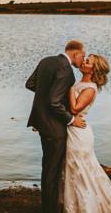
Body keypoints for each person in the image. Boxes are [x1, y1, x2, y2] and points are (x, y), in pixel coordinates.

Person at [62, 54, 111, 213]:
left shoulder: (90, 88)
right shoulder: (82, 83)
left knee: (81, 169)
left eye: (87, 62)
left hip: (79, 133)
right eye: (85, 60)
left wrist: (69, 87)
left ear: (93, 70)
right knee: (71, 167)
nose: (83, 62)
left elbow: (74, 109)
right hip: (72, 128)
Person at [26, 40, 87, 213]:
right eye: (82, 56)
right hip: (55, 129)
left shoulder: (46, 60)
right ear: (75, 53)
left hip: (42, 124)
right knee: (52, 171)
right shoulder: (67, 71)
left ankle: (47, 207)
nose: (82, 60)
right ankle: (50, 210)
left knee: (47, 167)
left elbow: (30, 85)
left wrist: (42, 111)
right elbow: (54, 101)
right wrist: (71, 120)